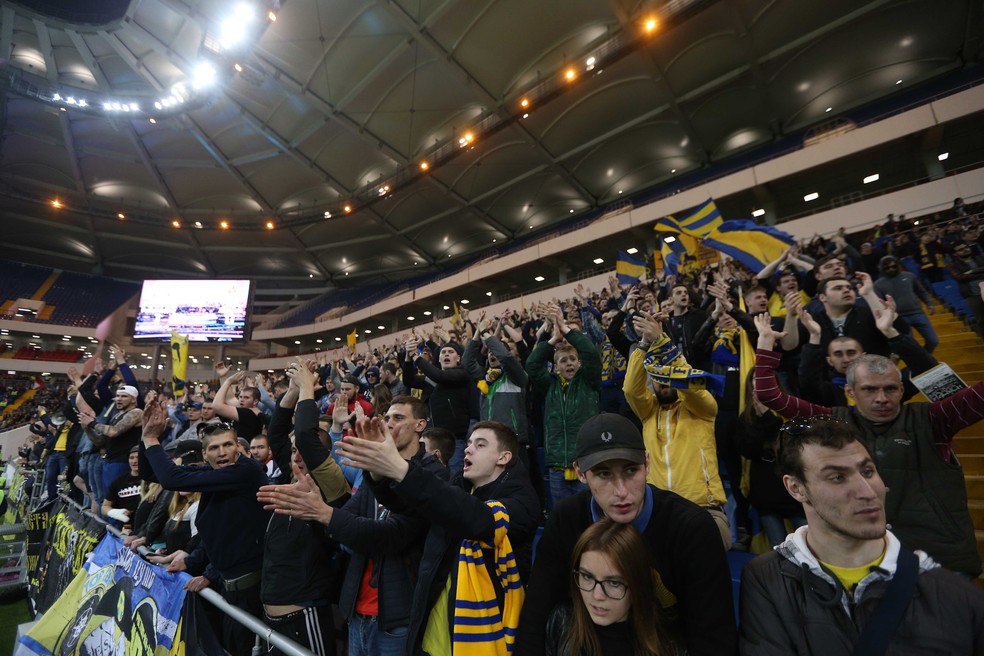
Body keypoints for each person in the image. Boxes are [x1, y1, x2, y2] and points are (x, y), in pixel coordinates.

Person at [755, 316, 984, 577]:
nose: (881, 398)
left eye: (890, 389)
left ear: (901, 389)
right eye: (869, 390)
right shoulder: (834, 421)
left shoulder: (934, 419)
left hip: (942, 560)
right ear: (851, 392)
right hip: (870, 562)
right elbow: (769, 395)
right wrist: (765, 345)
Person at [739, 416, 984, 655]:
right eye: (837, 477)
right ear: (796, 488)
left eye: (867, 471)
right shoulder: (765, 580)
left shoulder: (955, 595)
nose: (868, 492)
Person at [515, 413, 736, 655]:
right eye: (604, 474)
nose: (621, 491)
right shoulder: (566, 519)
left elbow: (713, 637)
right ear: (580, 472)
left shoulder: (692, 530)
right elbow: (536, 613)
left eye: (631, 471)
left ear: (647, 464)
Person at [328, 419, 539, 655]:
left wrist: (401, 469)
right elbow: (413, 508)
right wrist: (378, 472)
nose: (468, 449)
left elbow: (477, 519)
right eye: (468, 443)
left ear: (503, 457)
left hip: (485, 640)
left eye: (480, 445)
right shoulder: (459, 485)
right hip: (434, 637)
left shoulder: (523, 501)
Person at [259, 394, 446, 656]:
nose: (390, 423)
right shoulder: (374, 470)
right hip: (357, 610)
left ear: (420, 425)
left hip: (397, 615)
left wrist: (325, 513)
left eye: (399, 418)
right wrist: (323, 515)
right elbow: (345, 524)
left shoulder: (433, 474)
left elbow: (392, 535)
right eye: (387, 417)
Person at [138, 394, 270, 656]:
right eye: (214, 448)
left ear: (237, 448)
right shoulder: (214, 474)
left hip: (250, 588)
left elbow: (171, 479)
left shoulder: (247, 472)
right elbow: (151, 474)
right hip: (226, 581)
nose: (222, 452)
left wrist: (152, 440)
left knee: (238, 648)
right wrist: (145, 437)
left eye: (228, 445)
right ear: (204, 453)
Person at [624, 312, 730, 548]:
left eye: (668, 375)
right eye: (658, 377)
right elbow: (631, 389)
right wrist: (643, 344)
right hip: (659, 509)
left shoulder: (702, 408)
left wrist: (662, 343)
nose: (664, 381)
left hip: (703, 509)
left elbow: (690, 384)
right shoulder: (649, 413)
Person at [545, 519, 672, 656]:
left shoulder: (668, 641)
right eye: (587, 577)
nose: (597, 596)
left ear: (637, 584)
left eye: (614, 583)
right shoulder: (561, 621)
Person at [526, 303, 601, 506]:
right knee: (562, 516)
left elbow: (592, 354)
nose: (568, 363)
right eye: (563, 361)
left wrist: (566, 330)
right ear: (556, 367)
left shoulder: (589, 382)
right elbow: (532, 364)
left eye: (572, 359)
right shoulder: (550, 385)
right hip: (557, 465)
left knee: (590, 515)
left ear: (579, 363)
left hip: (586, 463)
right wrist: (553, 340)